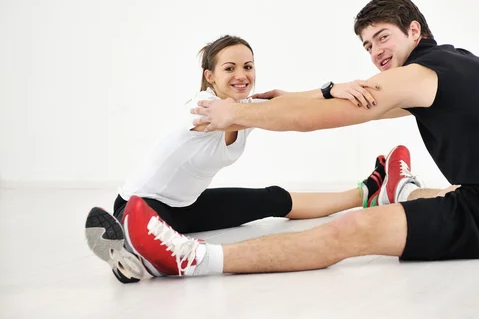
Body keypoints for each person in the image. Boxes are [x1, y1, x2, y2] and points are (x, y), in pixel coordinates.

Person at [118, 0, 479, 278]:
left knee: (353, 230)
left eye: (383, 37)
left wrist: (241, 111)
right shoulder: (452, 66)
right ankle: (399, 190)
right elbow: (359, 108)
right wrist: (304, 95)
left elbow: (315, 118)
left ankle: (194, 260)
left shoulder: (418, 75)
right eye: (367, 45)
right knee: (449, 193)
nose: (375, 53)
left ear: (415, 31)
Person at [85, 34, 419, 283]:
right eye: (229, 68)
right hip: (138, 207)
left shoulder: (244, 110)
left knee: (271, 199)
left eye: (247, 66)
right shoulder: (199, 108)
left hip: (186, 207)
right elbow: (279, 112)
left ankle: (367, 192)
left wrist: (332, 90)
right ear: (210, 76)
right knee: (163, 237)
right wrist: (322, 95)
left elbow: (289, 104)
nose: (241, 75)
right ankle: (129, 253)